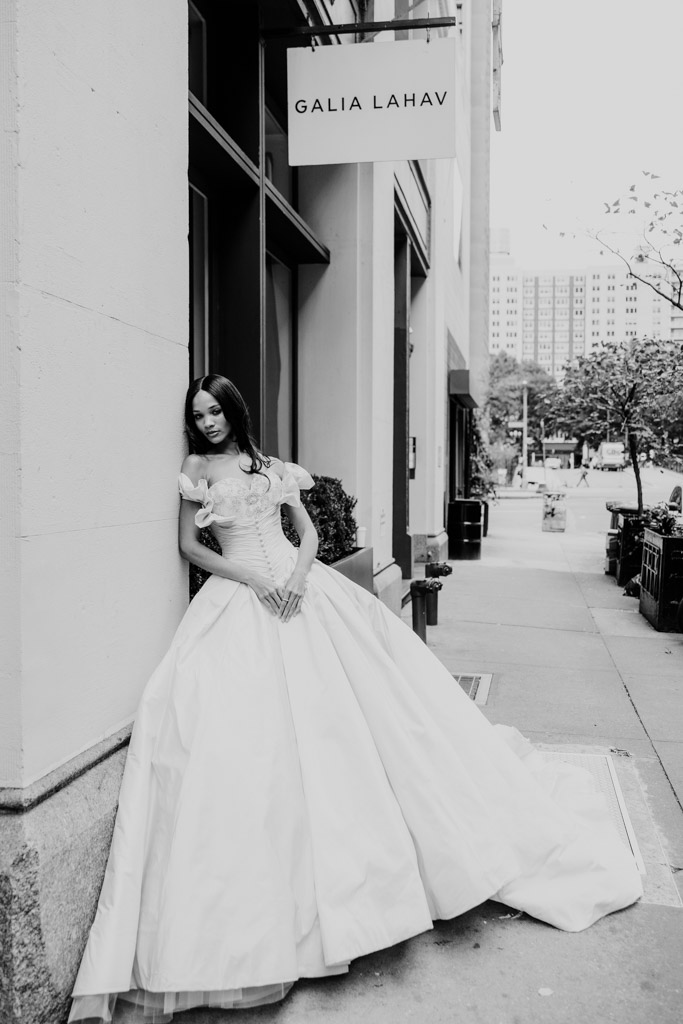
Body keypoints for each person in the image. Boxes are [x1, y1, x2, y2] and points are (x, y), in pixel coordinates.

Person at [69, 375, 642, 1023]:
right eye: (196, 415)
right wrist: (255, 579)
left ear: (233, 412)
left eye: (214, 412)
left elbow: (307, 534)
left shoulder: (269, 467)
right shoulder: (194, 470)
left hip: (300, 589)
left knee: (356, 727)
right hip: (236, 598)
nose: (205, 423)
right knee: (245, 745)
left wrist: (292, 577)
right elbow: (189, 545)